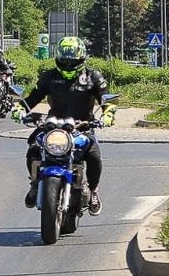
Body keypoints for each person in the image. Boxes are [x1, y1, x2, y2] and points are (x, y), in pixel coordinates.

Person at [15, 36, 114, 215]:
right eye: (64, 57)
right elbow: (32, 98)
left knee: (93, 155)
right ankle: (35, 183)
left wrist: (107, 114)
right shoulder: (49, 76)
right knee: (34, 147)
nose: (68, 61)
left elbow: (106, 99)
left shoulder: (93, 76)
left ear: (81, 56)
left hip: (82, 125)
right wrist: (19, 108)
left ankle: (93, 190)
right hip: (53, 125)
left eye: (72, 57)